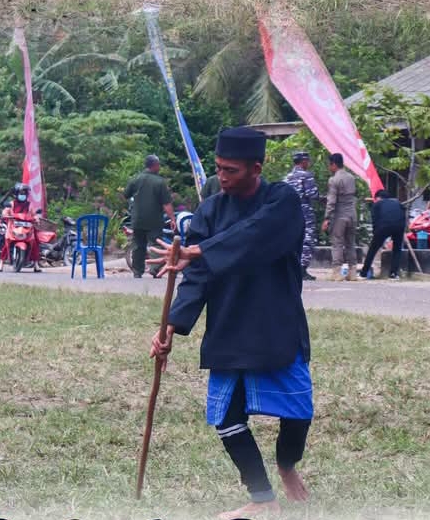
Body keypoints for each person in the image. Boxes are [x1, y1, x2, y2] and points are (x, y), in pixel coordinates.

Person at [148, 127, 313, 520]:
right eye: (219, 168)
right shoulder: (209, 210)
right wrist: (171, 324)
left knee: (297, 411)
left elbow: (256, 237)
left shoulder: (283, 201)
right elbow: (198, 276)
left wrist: (201, 249)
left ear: (257, 168)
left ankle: (287, 465)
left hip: (275, 320)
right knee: (225, 417)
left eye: (232, 170)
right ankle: (261, 496)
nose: (222, 177)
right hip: (228, 322)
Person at [124, 154, 176, 278]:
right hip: (154, 220)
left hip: (138, 219)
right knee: (156, 244)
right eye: (159, 165)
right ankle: (155, 270)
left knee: (138, 244)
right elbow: (166, 203)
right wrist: (172, 218)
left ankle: (137, 271)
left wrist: (134, 205)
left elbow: (126, 195)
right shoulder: (159, 182)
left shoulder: (135, 179)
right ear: (155, 165)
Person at [284, 152, 319, 281]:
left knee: (293, 238)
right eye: (307, 161)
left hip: (290, 212)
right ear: (303, 162)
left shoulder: (287, 177)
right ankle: (302, 268)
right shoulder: (306, 176)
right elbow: (312, 194)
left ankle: (293, 267)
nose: (308, 163)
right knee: (307, 239)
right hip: (305, 211)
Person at [322, 153, 357, 281]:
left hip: (339, 215)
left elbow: (331, 201)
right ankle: (352, 273)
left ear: (334, 164)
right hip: (352, 214)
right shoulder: (351, 177)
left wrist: (326, 218)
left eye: (329, 165)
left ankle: (337, 272)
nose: (329, 167)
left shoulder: (334, 180)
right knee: (350, 243)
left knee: (337, 243)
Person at [359, 190, 406, 280]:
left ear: (378, 198)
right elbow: (403, 215)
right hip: (399, 226)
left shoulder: (377, 204)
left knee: (373, 249)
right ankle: (393, 274)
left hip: (383, 226)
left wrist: (375, 235)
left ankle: (363, 274)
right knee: (397, 250)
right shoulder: (398, 203)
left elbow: (375, 221)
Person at [0, 182, 42, 273]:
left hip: (27, 228)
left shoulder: (30, 205)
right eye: (21, 193)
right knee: (6, 244)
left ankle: (36, 264)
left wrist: (36, 219)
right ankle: (1, 264)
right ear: (16, 194)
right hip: (13, 227)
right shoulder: (11, 204)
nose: (23, 195)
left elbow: (34, 214)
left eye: (24, 193)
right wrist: (5, 215)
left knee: (35, 243)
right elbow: (5, 212)